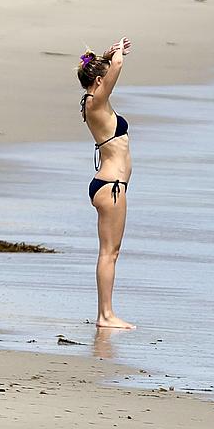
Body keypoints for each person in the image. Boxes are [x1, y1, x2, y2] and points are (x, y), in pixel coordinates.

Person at [77, 37, 136, 329]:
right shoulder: (97, 101)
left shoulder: (94, 101)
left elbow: (109, 69)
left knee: (110, 252)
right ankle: (106, 315)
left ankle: (106, 313)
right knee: (109, 253)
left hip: (108, 185)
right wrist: (116, 54)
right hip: (111, 186)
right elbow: (118, 65)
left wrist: (104, 56)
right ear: (98, 80)